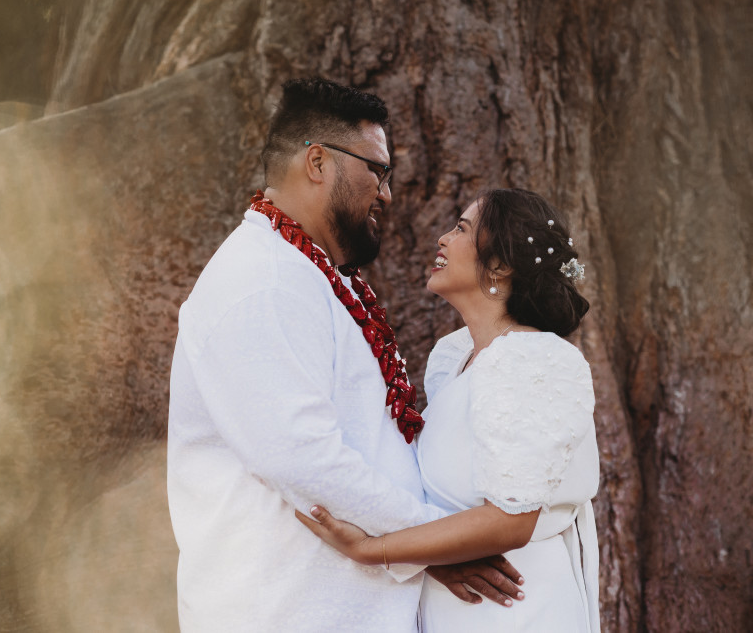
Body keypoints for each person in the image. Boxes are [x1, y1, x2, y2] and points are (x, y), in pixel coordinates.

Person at [167, 79, 524, 632]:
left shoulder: (313, 274)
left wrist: (421, 544)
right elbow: (301, 455)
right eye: (377, 171)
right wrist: (432, 542)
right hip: (287, 614)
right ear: (317, 162)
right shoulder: (261, 281)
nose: (387, 193)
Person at [298, 188, 601, 632]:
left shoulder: (534, 358)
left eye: (461, 229)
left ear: (500, 265)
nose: (442, 238)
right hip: (454, 611)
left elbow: (510, 520)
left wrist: (372, 550)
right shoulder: (456, 358)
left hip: (515, 609)